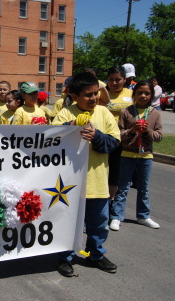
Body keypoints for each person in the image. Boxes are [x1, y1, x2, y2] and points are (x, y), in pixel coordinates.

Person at [52, 72, 120, 277]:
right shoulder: (66, 114)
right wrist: (71, 128)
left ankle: (95, 254)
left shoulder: (104, 113)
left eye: (95, 94)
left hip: (97, 181)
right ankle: (66, 257)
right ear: (74, 96)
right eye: (88, 95)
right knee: (70, 222)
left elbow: (114, 143)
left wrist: (96, 136)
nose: (93, 98)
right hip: (70, 184)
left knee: (98, 222)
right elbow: (52, 140)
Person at [110, 80, 162, 231]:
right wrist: (132, 131)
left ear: (151, 95)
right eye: (140, 93)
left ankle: (143, 215)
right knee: (123, 187)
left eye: (147, 93)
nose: (143, 96)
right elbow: (119, 134)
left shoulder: (155, 114)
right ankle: (116, 216)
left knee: (143, 188)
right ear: (134, 94)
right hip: (127, 155)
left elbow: (159, 136)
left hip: (145, 157)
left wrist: (148, 132)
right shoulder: (126, 112)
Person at [106, 66, 133, 201]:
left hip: (123, 139)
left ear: (124, 79)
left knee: (116, 171)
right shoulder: (101, 93)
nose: (114, 83)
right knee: (103, 169)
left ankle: (112, 200)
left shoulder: (131, 94)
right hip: (105, 138)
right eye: (111, 79)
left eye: (118, 79)